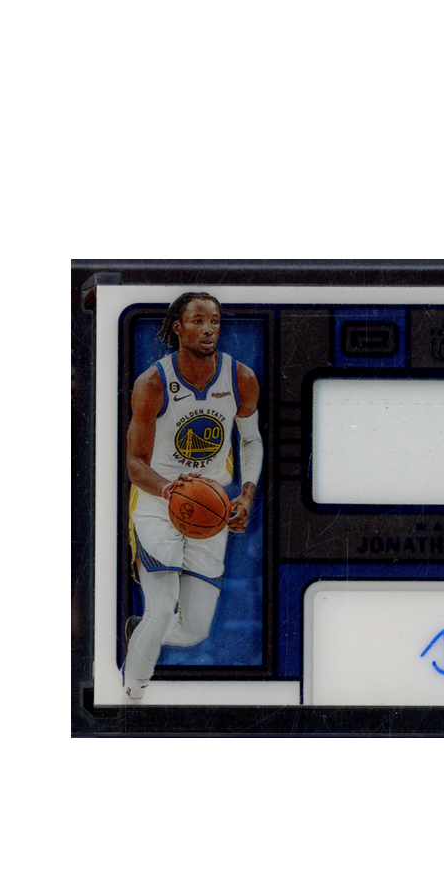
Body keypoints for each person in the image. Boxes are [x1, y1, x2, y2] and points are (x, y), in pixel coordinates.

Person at [121, 292, 263, 701]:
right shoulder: (152, 383)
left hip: (211, 507)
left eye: (214, 321)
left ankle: (140, 632)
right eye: (198, 321)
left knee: (195, 629)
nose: (208, 329)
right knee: (162, 607)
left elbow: (251, 442)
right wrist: (168, 489)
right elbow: (134, 463)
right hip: (157, 502)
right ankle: (131, 697)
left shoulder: (241, 378)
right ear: (178, 327)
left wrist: (246, 496)